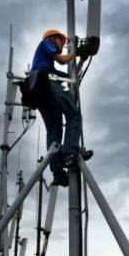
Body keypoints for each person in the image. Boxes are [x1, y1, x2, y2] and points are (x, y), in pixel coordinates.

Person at [29, 29, 93, 187]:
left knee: (54, 129)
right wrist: (77, 51)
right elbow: (63, 60)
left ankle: (58, 173)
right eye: (60, 40)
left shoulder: (47, 66)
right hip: (47, 83)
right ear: (51, 38)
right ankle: (70, 152)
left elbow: (71, 78)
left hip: (39, 90)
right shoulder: (45, 43)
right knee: (73, 114)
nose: (61, 44)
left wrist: (82, 59)